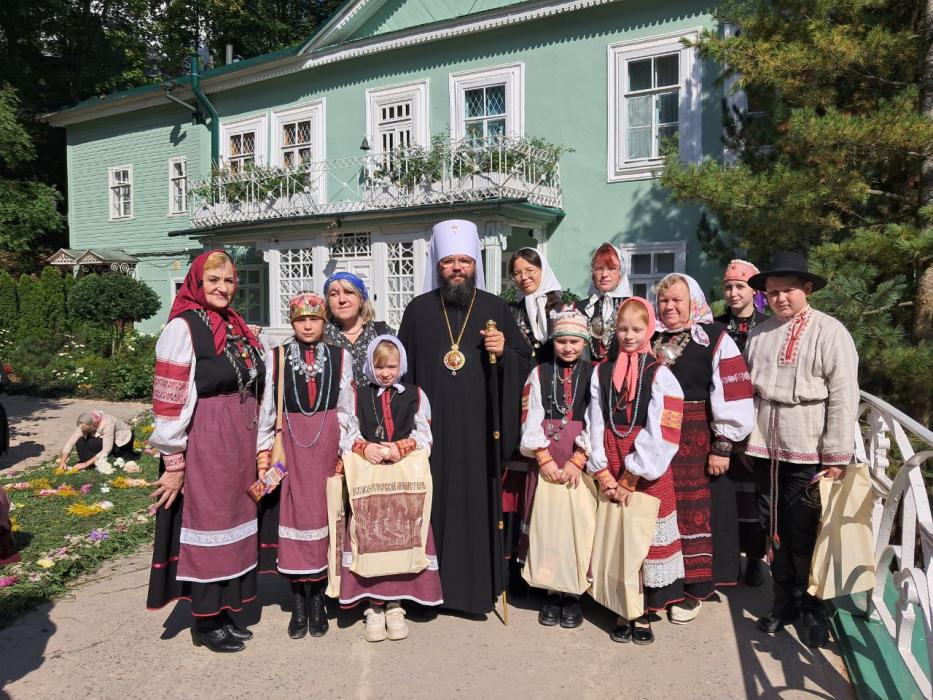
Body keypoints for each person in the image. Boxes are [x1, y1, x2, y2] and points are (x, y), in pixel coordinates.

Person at [397, 219, 531, 615]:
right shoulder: (418, 309)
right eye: (449, 262)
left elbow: (524, 364)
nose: (457, 268)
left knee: (474, 508)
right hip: (432, 433)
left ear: (475, 265)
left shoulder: (495, 308)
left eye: (464, 262)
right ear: (438, 265)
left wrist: (504, 351)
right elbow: (401, 373)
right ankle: (426, 591)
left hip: (478, 431)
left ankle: (475, 591)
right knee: (430, 507)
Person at [147, 250, 265, 653]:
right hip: (207, 441)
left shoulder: (235, 325)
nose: (222, 288)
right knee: (209, 523)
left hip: (240, 440)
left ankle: (226, 607)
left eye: (229, 281)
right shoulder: (183, 328)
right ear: (197, 281)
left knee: (236, 517)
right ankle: (205, 617)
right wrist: (174, 462)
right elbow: (169, 400)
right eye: (213, 280)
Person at [745, 252, 859, 647]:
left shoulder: (830, 332)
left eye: (788, 290)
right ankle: (783, 601)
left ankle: (813, 607)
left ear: (807, 289)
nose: (779, 299)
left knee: (805, 531)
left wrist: (836, 456)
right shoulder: (759, 333)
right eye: (773, 292)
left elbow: (844, 395)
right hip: (764, 446)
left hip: (809, 448)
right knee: (771, 526)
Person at [653, 273, 754, 623]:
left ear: (693, 301)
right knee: (657, 508)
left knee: (694, 512)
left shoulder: (713, 338)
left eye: (677, 300)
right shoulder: (649, 337)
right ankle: (660, 583)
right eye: (664, 300)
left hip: (695, 439)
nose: (669, 307)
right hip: (655, 438)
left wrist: (722, 445)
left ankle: (694, 590)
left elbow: (733, 394)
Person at [256, 292, 356, 640]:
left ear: (324, 321)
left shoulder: (341, 357)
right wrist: (264, 454)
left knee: (325, 517)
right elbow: (268, 409)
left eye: (314, 319)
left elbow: (347, 409)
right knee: (295, 518)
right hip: (293, 447)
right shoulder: (278, 357)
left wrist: (345, 452)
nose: (308, 325)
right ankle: (298, 602)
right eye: (301, 320)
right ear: (292, 322)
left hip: (327, 445)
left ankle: (319, 602)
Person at [588, 297, 685, 645]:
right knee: (618, 535)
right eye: (623, 329)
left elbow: (665, 430)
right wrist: (602, 471)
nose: (629, 336)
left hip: (647, 470)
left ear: (650, 330)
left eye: (637, 329)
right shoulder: (601, 371)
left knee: (642, 537)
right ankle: (620, 604)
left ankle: (643, 609)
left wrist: (632, 475)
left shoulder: (660, 375)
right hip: (611, 459)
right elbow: (594, 420)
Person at [341, 335, 443, 641]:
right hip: (370, 476)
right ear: (371, 366)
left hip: (402, 475)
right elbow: (346, 431)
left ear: (402, 366)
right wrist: (364, 448)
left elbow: (424, 433)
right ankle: (373, 605)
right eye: (380, 366)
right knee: (370, 535)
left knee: (403, 534)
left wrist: (402, 446)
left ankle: (397, 603)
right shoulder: (358, 395)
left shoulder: (414, 394)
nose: (386, 372)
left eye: (392, 366)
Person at [519, 310, 594, 629]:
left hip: (578, 459)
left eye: (575, 341)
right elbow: (530, 414)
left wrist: (580, 458)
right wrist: (543, 457)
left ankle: (574, 592)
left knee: (576, 526)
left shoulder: (595, 374)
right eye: (561, 340)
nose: (567, 347)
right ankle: (550, 590)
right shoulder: (539, 373)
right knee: (547, 525)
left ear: (584, 342)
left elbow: (597, 418)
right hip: (546, 459)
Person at [715, 259, 769, 587]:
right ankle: (727, 555)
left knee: (754, 493)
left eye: (740, 286)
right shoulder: (716, 326)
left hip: (756, 421)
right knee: (726, 494)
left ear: (754, 290)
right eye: (728, 287)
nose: (734, 293)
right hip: (721, 422)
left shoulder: (767, 325)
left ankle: (755, 558)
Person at [323, 272, 393, 387]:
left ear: (361, 299)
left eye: (348, 292)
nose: (342, 299)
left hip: (375, 404)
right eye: (334, 294)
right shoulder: (321, 337)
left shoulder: (383, 333)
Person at [574, 243, 632, 363]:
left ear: (621, 273)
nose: (604, 275)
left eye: (611, 268)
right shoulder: (580, 308)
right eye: (599, 268)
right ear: (592, 273)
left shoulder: (632, 307)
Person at [508, 248, 564, 362]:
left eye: (530, 270)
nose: (523, 277)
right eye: (517, 273)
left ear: (543, 270)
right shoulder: (511, 311)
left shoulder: (562, 310)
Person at [58, 411, 137, 471]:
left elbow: (106, 449)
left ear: (92, 425)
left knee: (93, 443)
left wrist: (85, 464)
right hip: (102, 438)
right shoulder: (85, 421)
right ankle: (91, 462)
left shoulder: (108, 423)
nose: (83, 431)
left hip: (121, 442)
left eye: (86, 430)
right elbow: (70, 443)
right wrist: (62, 462)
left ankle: (90, 462)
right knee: (80, 441)